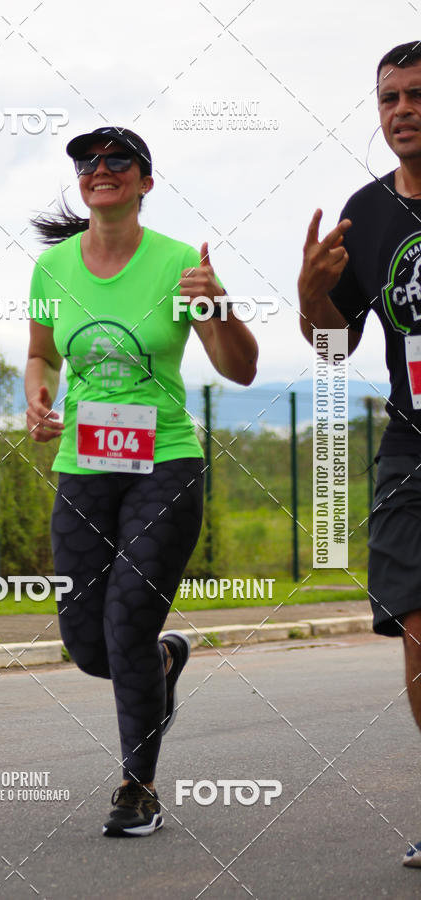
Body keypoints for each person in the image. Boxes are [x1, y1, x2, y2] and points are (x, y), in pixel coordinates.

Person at [25, 125, 258, 836]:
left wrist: (216, 304)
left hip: (165, 464)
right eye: (88, 162)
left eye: (117, 160)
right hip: (85, 467)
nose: (101, 169)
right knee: (87, 643)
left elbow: (241, 368)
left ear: (144, 182)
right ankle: (163, 661)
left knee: (123, 626)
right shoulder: (52, 269)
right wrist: (36, 395)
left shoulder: (181, 264)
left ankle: (138, 789)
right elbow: (41, 354)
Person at [298, 40, 421, 868]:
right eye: (389, 99)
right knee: (416, 620)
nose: (403, 111)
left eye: (416, 95)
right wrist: (312, 288)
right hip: (412, 445)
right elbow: (331, 347)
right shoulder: (366, 212)